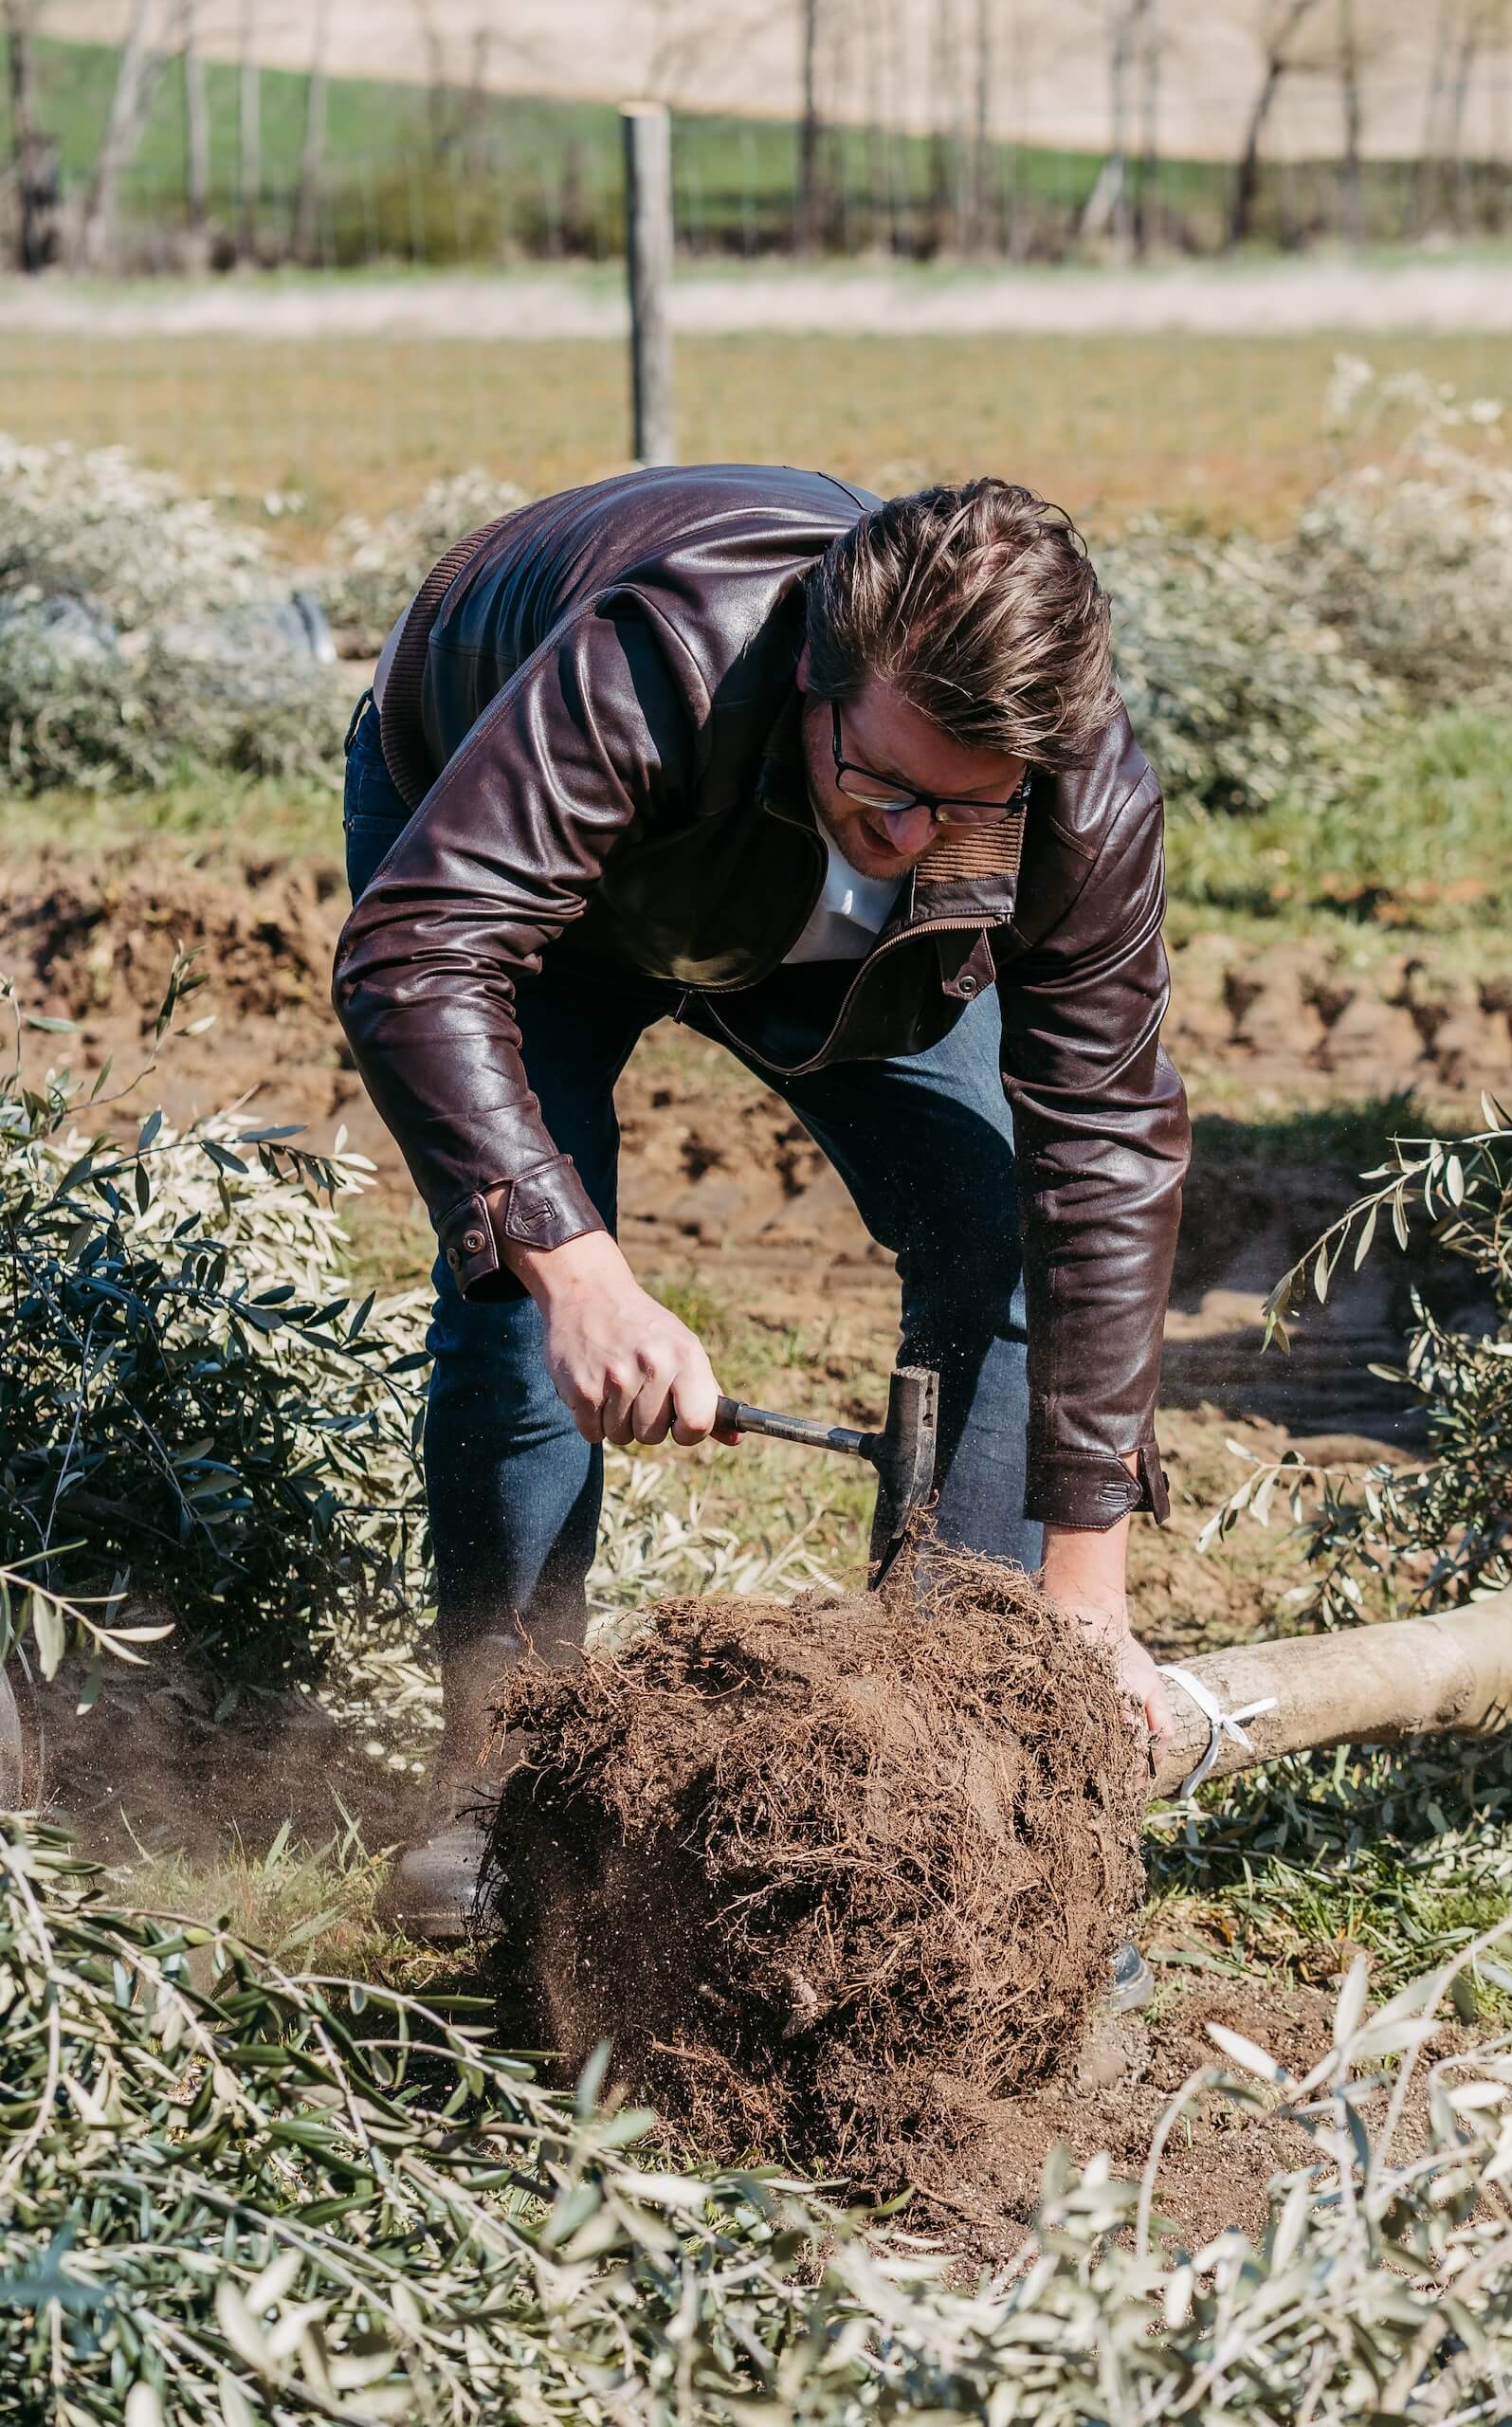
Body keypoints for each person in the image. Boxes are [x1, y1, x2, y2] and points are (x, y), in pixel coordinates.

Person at [334, 467, 1189, 2010]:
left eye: (972, 805)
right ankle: (503, 1787)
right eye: (890, 790)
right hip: (512, 856)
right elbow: (420, 954)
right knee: (525, 1286)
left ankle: (957, 1797)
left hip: (785, 920)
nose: (919, 835)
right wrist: (576, 1269)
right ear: (814, 679)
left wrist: (1086, 1591)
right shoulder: (657, 660)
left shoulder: (1067, 783)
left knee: (994, 1221)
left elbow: (1108, 1146)